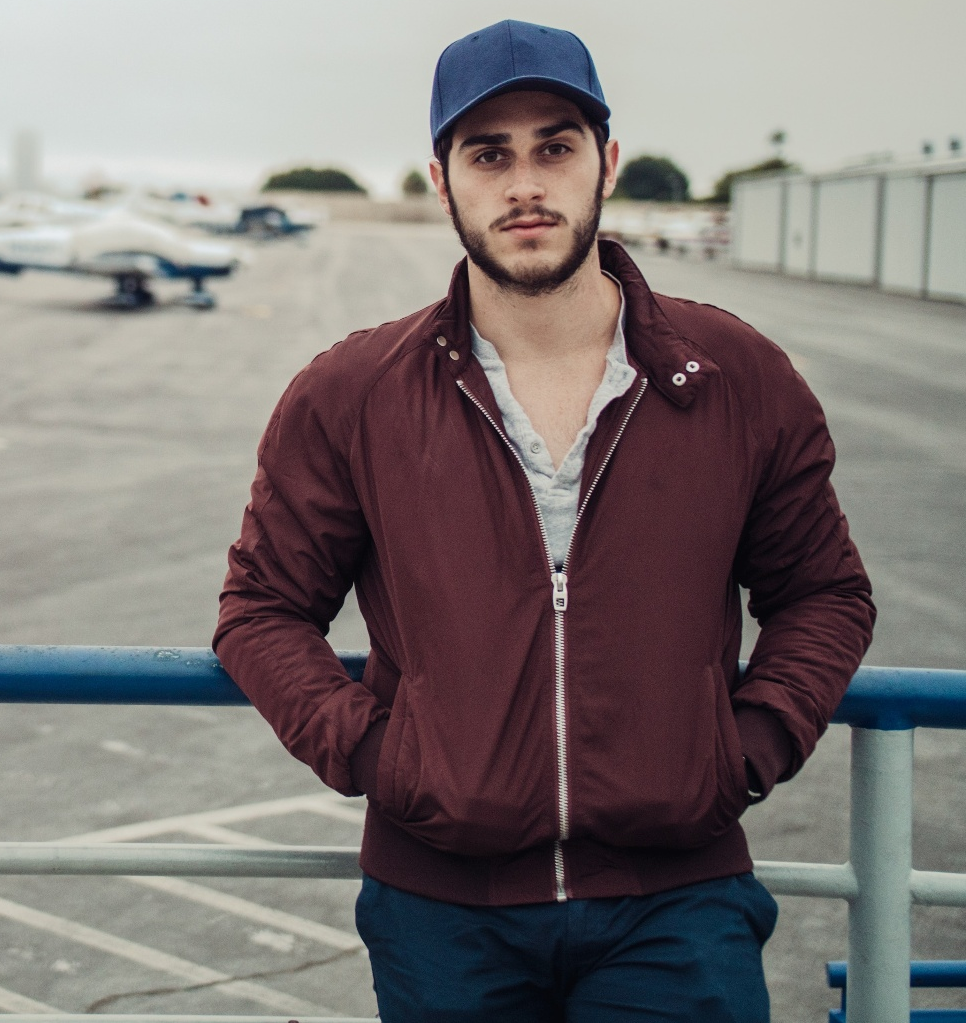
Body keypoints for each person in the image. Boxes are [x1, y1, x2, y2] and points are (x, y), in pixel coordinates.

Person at [214, 19, 875, 1022]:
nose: (524, 184)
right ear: (442, 180)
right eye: (488, 153)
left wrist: (744, 746)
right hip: (442, 912)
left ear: (604, 162)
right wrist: (376, 758)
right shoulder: (350, 394)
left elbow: (823, 592)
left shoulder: (733, 377)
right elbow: (260, 608)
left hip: (678, 903)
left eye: (554, 147)